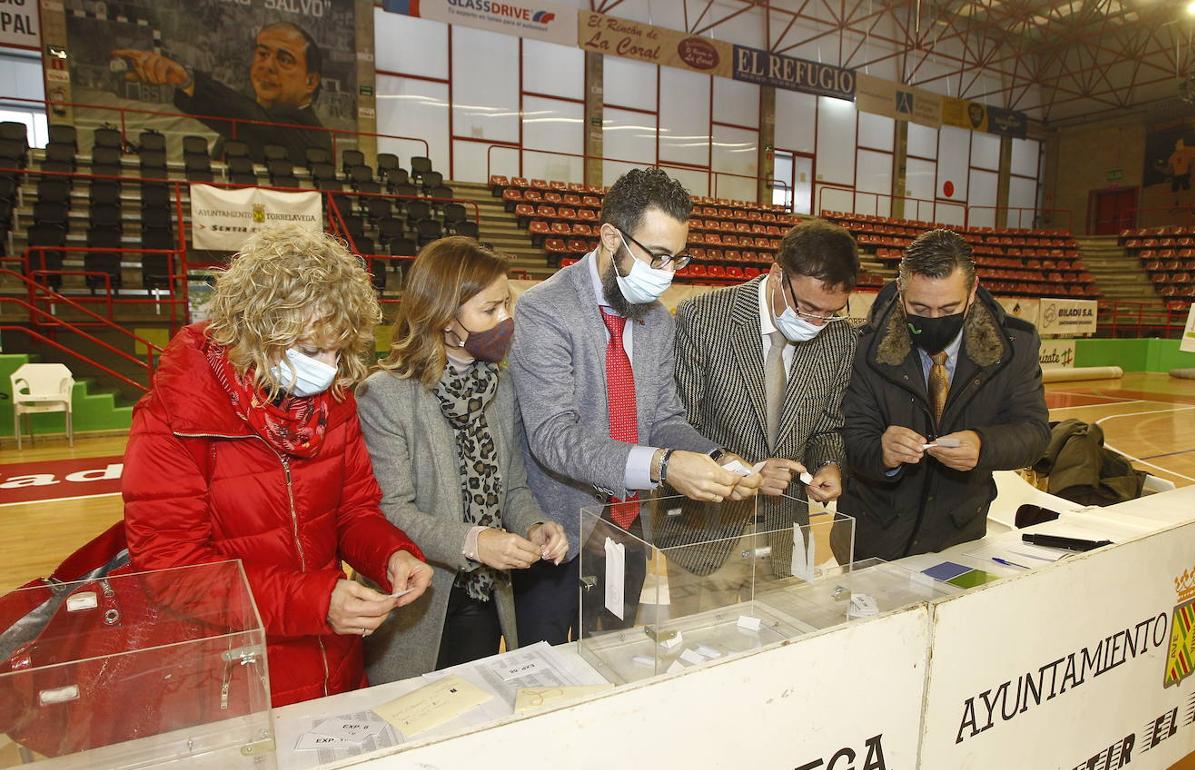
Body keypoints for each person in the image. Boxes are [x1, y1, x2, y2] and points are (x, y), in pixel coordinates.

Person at [121, 225, 433, 707]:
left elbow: (354, 512)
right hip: (230, 677)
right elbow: (171, 569)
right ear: (255, 331)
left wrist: (390, 553)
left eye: (338, 350)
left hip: (334, 663)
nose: (329, 367)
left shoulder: (333, 403)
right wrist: (314, 601)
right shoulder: (176, 418)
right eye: (310, 351)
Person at [510, 167, 762, 646]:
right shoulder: (545, 309)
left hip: (628, 531)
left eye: (677, 259)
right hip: (557, 536)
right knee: (541, 680)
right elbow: (554, 437)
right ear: (611, 237)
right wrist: (664, 467)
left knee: (614, 659)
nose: (666, 274)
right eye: (658, 256)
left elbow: (665, 419)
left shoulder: (658, 323)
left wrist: (717, 458)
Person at [355, 237, 569, 682]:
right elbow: (390, 511)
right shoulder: (386, 395)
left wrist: (534, 524)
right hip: (419, 603)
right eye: (489, 310)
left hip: (485, 596)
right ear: (444, 316)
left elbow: (511, 486)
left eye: (505, 306)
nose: (505, 320)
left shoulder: (502, 387)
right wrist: (475, 541)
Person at [664, 220, 859, 609]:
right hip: (706, 535)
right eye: (807, 307)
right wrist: (747, 470)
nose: (816, 322)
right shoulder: (703, 318)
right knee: (704, 657)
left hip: (786, 536)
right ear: (776, 274)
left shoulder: (838, 336)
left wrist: (830, 465)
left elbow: (827, 425)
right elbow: (675, 424)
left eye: (830, 312)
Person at [840, 228, 1050, 560]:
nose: (935, 319)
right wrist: (881, 450)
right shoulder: (860, 345)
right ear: (900, 290)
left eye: (949, 308)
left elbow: (1034, 433)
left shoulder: (1016, 345)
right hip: (873, 534)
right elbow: (847, 436)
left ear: (973, 291)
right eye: (919, 309)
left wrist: (984, 445)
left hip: (962, 534)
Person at [113, 22, 333, 162]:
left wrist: (186, 80)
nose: (267, 66)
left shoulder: (312, 136)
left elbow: (255, 122)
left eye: (284, 60)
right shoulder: (242, 124)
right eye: (263, 54)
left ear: (310, 81)